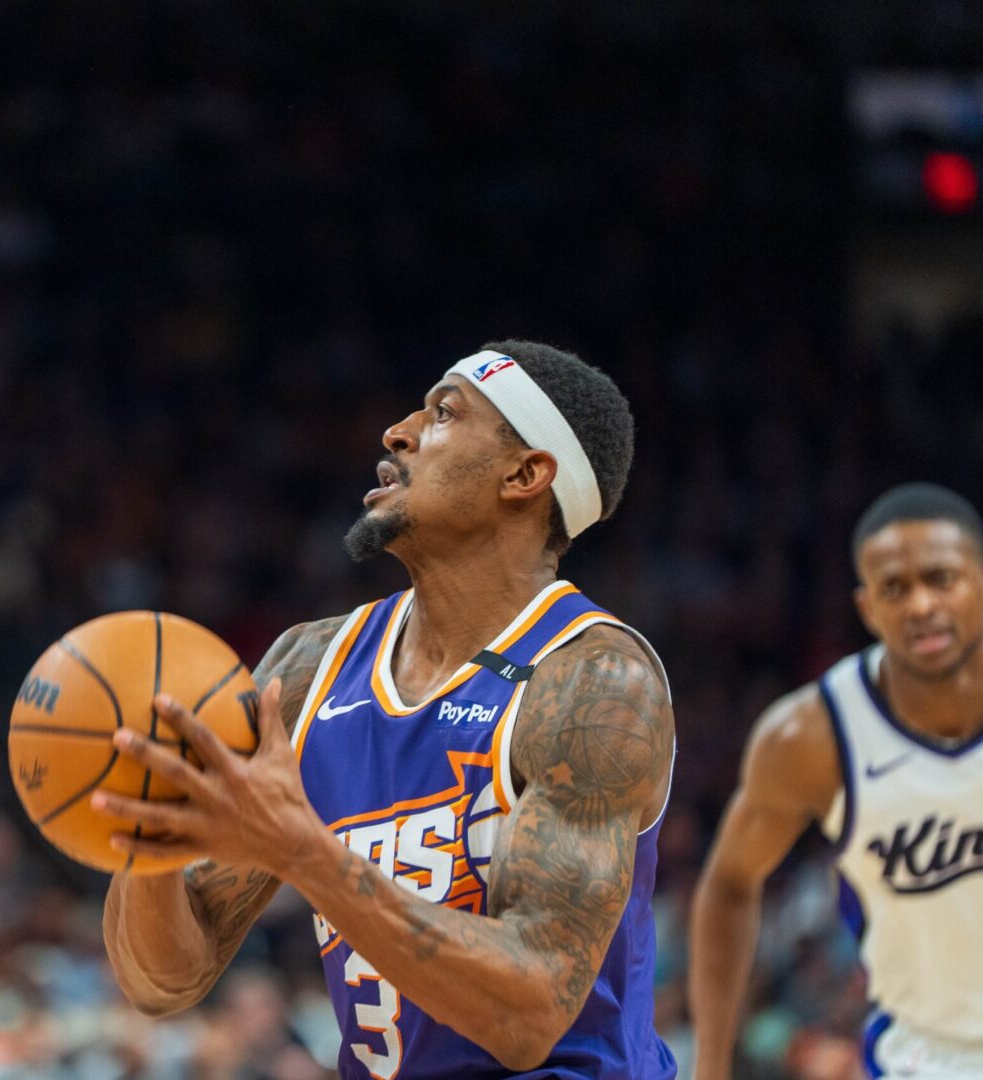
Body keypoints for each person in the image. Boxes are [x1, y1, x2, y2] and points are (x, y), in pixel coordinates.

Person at [100, 341, 677, 1077]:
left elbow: (530, 1013)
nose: (397, 433)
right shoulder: (307, 670)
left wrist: (304, 852)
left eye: (444, 414)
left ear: (525, 475)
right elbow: (163, 981)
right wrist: (148, 833)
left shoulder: (594, 683)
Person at [689, 483, 983, 1080]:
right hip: (923, 1056)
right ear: (868, 608)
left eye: (941, 579)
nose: (920, 605)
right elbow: (730, 882)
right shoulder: (810, 737)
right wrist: (710, 1068)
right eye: (895, 588)